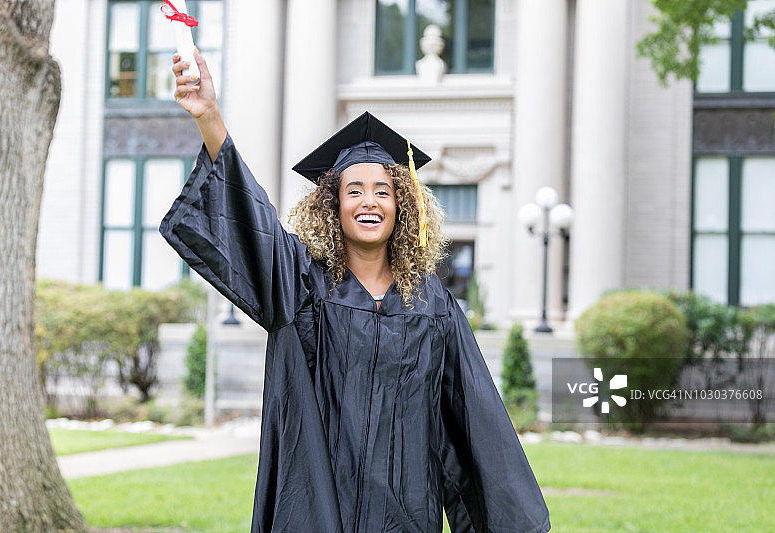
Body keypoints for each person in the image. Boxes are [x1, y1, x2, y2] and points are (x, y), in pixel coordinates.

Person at [161, 49, 550, 533]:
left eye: (384, 191)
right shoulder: (300, 284)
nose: (370, 201)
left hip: (407, 514)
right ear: (333, 205)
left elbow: (472, 414)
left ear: (402, 206)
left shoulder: (433, 306)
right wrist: (210, 118)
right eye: (354, 190)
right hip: (317, 509)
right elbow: (252, 216)